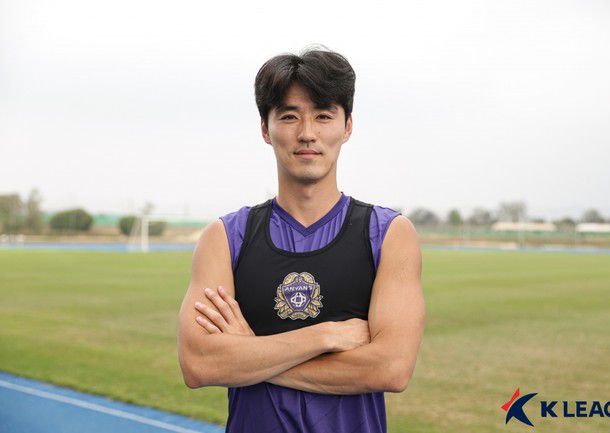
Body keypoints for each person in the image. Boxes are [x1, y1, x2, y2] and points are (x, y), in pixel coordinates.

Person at [177, 46, 425, 433]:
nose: (307, 133)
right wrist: (324, 336)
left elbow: (391, 369)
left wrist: (251, 353)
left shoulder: (387, 234)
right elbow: (199, 365)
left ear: (347, 126)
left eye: (323, 116)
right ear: (266, 129)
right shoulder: (225, 238)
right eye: (289, 116)